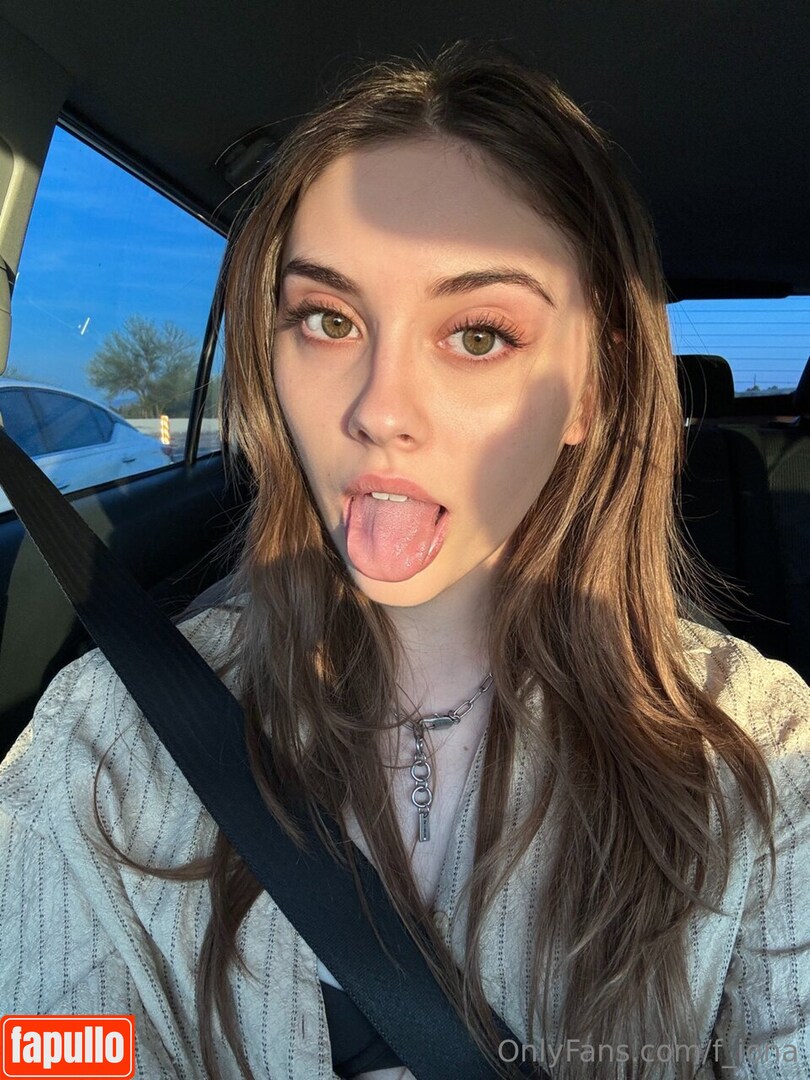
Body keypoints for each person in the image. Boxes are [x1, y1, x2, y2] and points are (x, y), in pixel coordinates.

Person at [1, 39, 809, 1080]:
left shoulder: (758, 759)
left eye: (478, 335)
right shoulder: (107, 744)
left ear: (596, 392)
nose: (377, 409)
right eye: (327, 319)